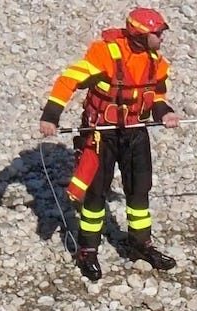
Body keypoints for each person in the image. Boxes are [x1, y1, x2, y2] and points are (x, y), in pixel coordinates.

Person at [39, 8, 181, 281]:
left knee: (139, 191)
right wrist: (51, 116)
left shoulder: (156, 61)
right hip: (101, 133)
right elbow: (69, 80)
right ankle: (88, 249)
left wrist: (166, 114)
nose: (162, 37)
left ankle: (140, 244)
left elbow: (157, 97)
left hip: (135, 132)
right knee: (95, 193)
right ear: (141, 34)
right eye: (158, 33)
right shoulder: (104, 54)